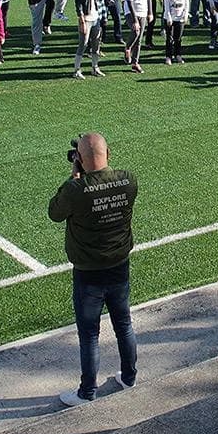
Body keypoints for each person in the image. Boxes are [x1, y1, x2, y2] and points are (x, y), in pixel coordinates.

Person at [50, 132, 139, 406]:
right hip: (119, 266)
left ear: (79, 158)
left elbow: (55, 212)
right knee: (124, 324)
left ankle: (87, 392)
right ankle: (129, 377)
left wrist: (73, 178)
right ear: (108, 153)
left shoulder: (75, 190)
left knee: (89, 334)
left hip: (88, 273)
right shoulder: (128, 180)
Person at [72, 0, 106, 79]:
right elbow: (79, 8)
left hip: (95, 19)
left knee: (96, 44)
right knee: (83, 44)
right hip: (86, 20)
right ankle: (77, 70)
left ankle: (95, 67)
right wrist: (82, 23)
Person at [122, 0, 151, 73]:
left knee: (139, 39)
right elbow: (129, 2)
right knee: (136, 31)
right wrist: (134, 20)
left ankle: (135, 63)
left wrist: (150, 12)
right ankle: (128, 47)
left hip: (143, 11)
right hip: (131, 12)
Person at [163, 0, 191, 65]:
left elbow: (186, 5)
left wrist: (185, 15)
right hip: (170, 18)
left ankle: (178, 55)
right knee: (169, 38)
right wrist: (169, 18)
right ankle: (168, 56)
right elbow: (166, 7)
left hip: (180, 18)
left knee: (178, 38)